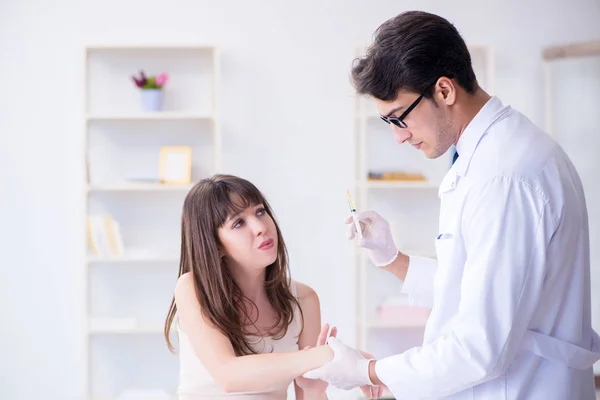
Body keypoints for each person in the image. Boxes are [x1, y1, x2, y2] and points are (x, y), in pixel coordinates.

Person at [302, 10, 600, 400]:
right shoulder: (495, 155)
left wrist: (366, 370)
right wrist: (392, 259)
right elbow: (477, 285)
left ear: (444, 90)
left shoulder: (504, 176)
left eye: (398, 118)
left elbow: (479, 350)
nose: (399, 138)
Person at [163, 174, 381, 400]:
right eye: (238, 223)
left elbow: (309, 392)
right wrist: (326, 356)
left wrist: (313, 389)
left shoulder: (304, 300)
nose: (260, 227)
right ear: (215, 245)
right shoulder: (193, 289)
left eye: (260, 211)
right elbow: (228, 375)